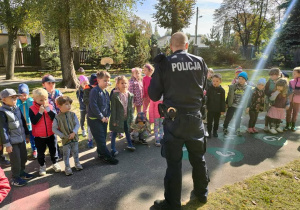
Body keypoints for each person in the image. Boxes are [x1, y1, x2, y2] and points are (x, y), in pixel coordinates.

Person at [148, 32, 209, 210]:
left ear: (171, 46)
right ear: (187, 45)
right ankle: (202, 193)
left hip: (174, 121)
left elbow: (153, 95)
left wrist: (157, 69)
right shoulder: (200, 61)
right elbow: (203, 88)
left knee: (174, 163)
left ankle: (172, 203)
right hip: (195, 118)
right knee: (199, 158)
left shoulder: (165, 63)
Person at [0, 89, 34, 186]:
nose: (15, 99)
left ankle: (22, 172)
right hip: (12, 142)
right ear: (4, 100)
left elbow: (23, 122)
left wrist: (27, 135)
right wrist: (7, 144)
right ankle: (15, 178)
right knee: (16, 160)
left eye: (15, 97)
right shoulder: (2, 112)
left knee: (23, 157)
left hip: (21, 138)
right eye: (12, 97)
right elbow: (3, 130)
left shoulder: (17, 108)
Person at [88, 71, 118, 165]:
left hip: (104, 119)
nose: (107, 83)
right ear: (98, 80)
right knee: (100, 139)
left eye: (108, 81)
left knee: (103, 137)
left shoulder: (105, 92)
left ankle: (101, 154)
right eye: (104, 81)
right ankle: (108, 157)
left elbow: (107, 105)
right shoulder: (94, 91)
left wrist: (107, 116)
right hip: (95, 120)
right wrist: (101, 117)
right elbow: (93, 105)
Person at [29, 88, 61, 176]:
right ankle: (42, 166)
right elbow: (34, 121)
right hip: (39, 136)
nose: (44, 101)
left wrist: (49, 111)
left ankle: (55, 163)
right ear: (35, 100)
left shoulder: (50, 106)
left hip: (51, 134)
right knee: (41, 152)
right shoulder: (32, 109)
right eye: (41, 100)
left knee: (53, 149)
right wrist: (40, 113)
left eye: (45, 99)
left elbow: (55, 118)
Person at [52, 96, 83, 176]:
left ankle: (77, 163)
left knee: (75, 152)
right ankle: (67, 167)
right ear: (59, 106)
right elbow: (54, 129)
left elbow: (77, 124)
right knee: (66, 154)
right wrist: (62, 136)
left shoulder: (73, 115)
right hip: (66, 140)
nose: (69, 106)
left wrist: (74, 132)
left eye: (69, 104)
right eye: (66, 104)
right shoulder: (57, 118)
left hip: (74, 138)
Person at [109, 76, 135, 156]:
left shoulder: (130, 95)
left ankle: (130, 144)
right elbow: (113, 109)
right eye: (122, 83)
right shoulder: (115, 95)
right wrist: (114, 120)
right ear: (117, 84)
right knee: (114, 132)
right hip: (118, 118)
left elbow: (130, 108)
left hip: (126, 117)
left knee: (127, 131)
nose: (124, 85)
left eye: (125, 83)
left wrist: (131, 119)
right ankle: (113, 148)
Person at [223, 72, 251, 136]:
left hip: (240, 107)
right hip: (232, 105)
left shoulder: (248, 88)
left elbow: (249, 98)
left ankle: (237, 129)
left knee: (238, 118)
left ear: (246, 80)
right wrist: (227, 103)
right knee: (228, 117)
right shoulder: (233, 87)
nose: (240, 80)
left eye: (242, 79)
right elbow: (229, 95)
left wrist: (248, 106)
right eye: (239, 78)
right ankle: (225, 127)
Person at [42, 75, 62, 160]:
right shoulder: (42, 94)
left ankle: (68, 148)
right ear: (44, 84)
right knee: (53, 137)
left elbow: (63, 103)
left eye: (53, 83)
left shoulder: (58, 93)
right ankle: (56, 152)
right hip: (49, 118)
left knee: (63, 132)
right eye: (49, 83)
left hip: (60, 116)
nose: (51, 85)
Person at [16, 83, 37, 159]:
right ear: (18, 95)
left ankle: (34, 150)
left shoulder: (30, 101)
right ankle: (23, 152)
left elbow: (34, 108)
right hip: (21, 126)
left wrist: (29, 100)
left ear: (28, 94)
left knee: (33, 139)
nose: (23, 97)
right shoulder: (17, 102)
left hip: (30, 125)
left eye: (25, 95)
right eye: (21, 95)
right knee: (22, 140)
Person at [206, 73, 225, 138]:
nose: (215, 82)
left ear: (220, 81)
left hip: (218, 110)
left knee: (216, 122)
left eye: (217, 81)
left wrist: (222, 110)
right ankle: (209, 132)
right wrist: (206, 107)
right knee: (209, 122)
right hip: (210, 109)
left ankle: (215, 132)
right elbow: (207, 98)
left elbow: (223, 101)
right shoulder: (209, 89)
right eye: (213, 81)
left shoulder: (222, 90)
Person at [83, 73, 97, 148]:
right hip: (90, 111)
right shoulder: (87, 89)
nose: (95, 86)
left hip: (98, 112)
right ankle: (90, 139)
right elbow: (85, 100)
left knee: (97, 126)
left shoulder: (99, 88)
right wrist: (93, 101)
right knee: (90, 127)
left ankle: (96, 138)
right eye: (94, 85)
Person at [285, 67, 300, 131]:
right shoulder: (291, 81)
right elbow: (288, 90)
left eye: (295, 74)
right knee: (288, 112)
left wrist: (295, 91)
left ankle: (293, 125)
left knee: (295, 113)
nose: (293, 75)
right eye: (293, 74)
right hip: (290, 100)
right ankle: (287, 125)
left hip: (297, 101)